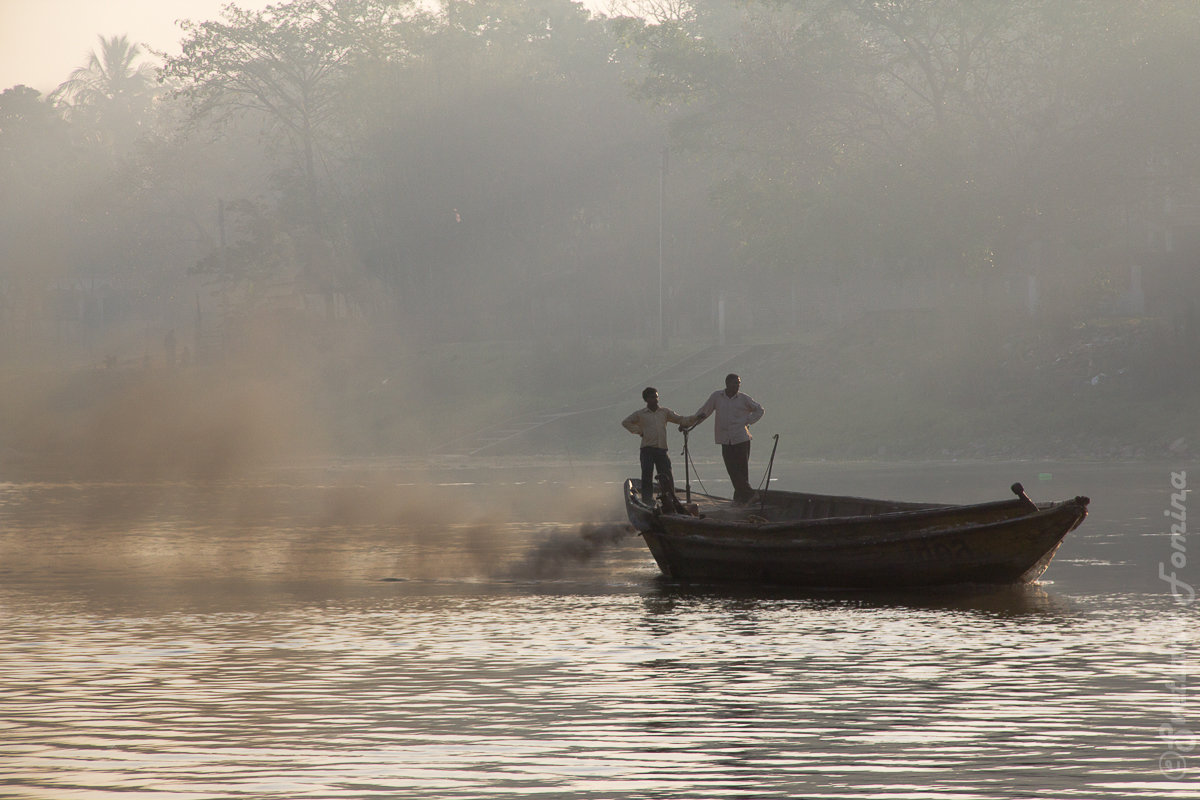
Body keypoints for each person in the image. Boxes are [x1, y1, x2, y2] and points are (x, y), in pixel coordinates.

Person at [685, 373, 765, 505]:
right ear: (727, 383)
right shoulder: (717, 396)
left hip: (741, 438)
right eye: (735, 383)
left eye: (739, 383)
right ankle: (747, 496)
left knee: (741, 471)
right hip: (725, 439)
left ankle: (745, 497)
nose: (737, 385)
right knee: (732, 470)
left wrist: (748, 421)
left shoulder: (743, 398)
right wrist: (689, 423)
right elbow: (704, 412)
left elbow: (759, 410)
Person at [622, 387, 698, 505]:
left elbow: (680, 419)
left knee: (666, 475)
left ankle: (670, 499)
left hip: (661, 449)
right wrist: (640, 431)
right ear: (646, 399)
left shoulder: (664, 412)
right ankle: (647, 500)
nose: (656, 400)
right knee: (647, 475)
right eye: (652, 397)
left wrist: (696, 418)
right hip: (647, 449)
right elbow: (626, 422)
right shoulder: (641, 414)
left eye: (657, 397)